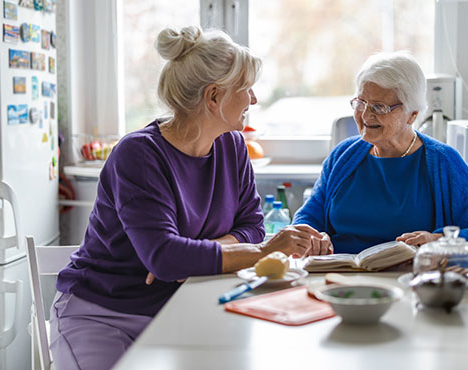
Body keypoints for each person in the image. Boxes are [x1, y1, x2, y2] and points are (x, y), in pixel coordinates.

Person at [50, 26, 330, 370]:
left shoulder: (232, 146)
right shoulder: (138, 154)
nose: (254, 100)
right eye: (245, 89)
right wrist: (260, 253)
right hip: (104, 314)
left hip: (179, 307)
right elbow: (167, 259)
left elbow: (252, 225)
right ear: (214, 97)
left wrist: (194, 254)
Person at [293, 51, 468, 255]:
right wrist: (313, 237)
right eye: (361, 103)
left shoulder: (442, 161)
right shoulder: (343, 155)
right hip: (339, 279)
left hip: (410, 284)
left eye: (379, 107)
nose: (366, 115)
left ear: (411, 115)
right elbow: (307, 217)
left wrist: (440, 242)